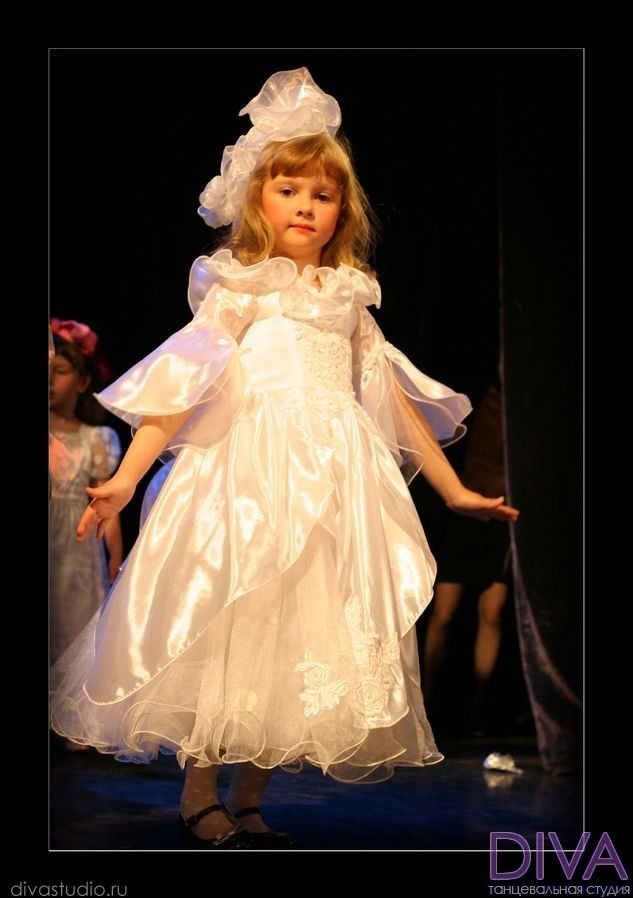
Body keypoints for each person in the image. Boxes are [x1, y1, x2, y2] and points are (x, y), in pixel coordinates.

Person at [50, 68, 518, 850]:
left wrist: (453, 489)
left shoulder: (348, 293)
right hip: (246, 475)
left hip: (332, 481)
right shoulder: (239, 286)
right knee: (228, 623)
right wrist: (126, 479)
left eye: (321, 195)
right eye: (288, 190)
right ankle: (199, 793)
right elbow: (181, 386)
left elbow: (391, 397)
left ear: (342, 209)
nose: (305, 206)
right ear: (257, 199)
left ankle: (250, 797)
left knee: (301, 637)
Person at [423, 378, 512, 734]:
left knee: (491, 611)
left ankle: (478, 711)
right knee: (444, 612)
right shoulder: (481, 399)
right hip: (469, 508)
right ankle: (427, 702)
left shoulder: (530, 406)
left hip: (504, 512)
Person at [49, 319, 123, 664]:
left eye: (61, 371)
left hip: (77, 555)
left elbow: (107, 502)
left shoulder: (95, 439)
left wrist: (116, 556)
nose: (50, 379)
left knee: (74, 632)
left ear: (82, 381)